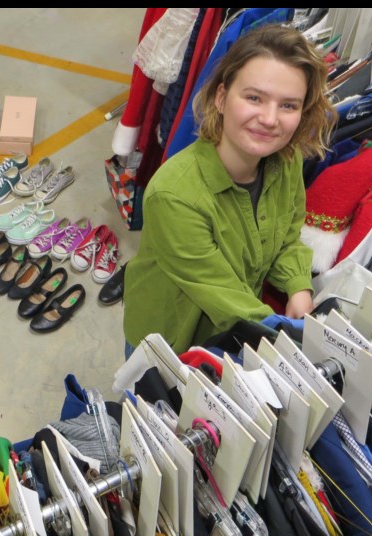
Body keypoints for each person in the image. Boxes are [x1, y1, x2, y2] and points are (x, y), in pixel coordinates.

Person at [123, 24, 336, 354]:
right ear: (221, 98)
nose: (269, 119)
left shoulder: (287, 161)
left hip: (234, 330)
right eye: (254, 98)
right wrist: (289, 336)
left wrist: (297, 287)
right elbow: (219, 290)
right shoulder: (175, 195)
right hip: (170, 342)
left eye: (288, 105)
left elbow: (285, 238)